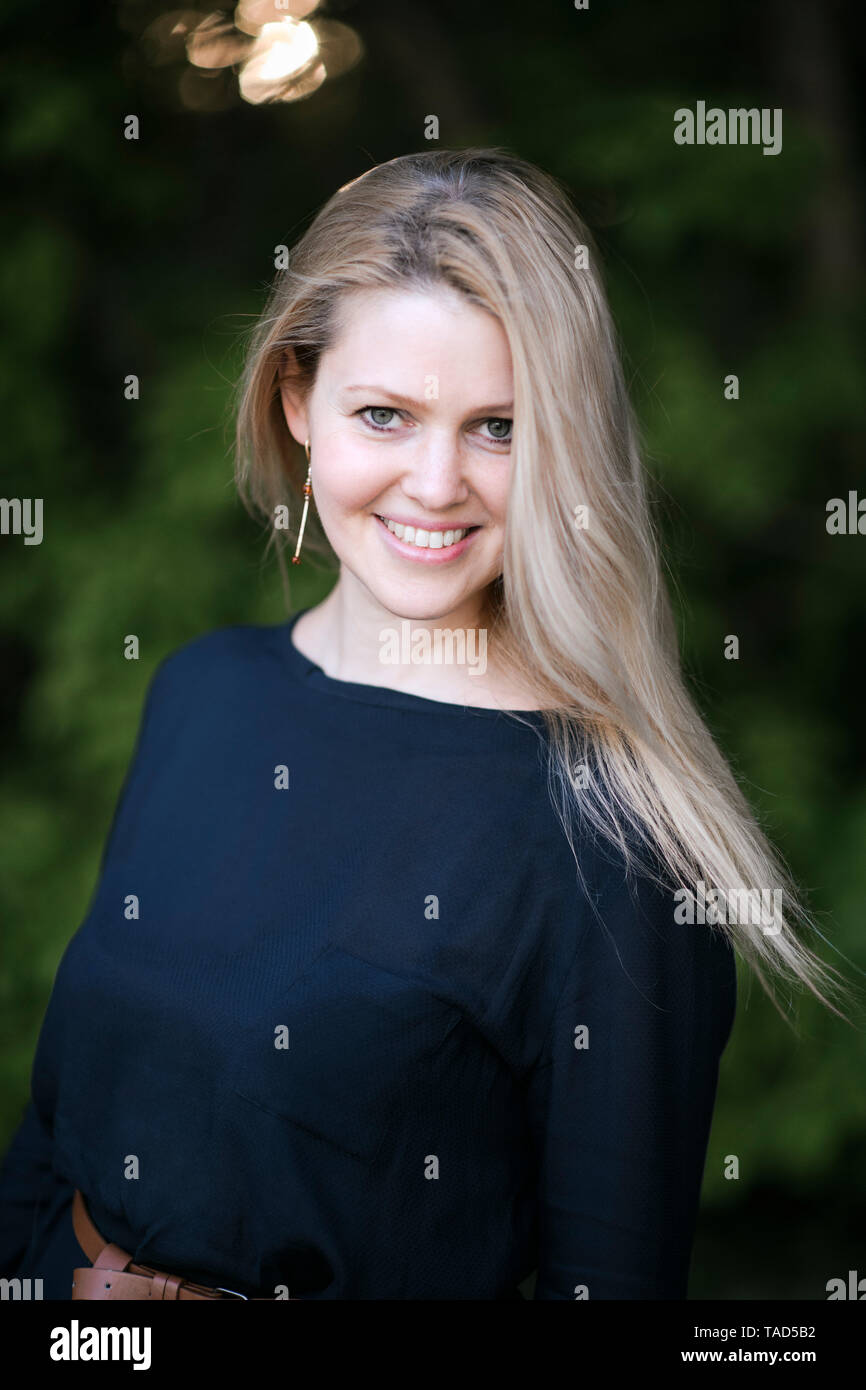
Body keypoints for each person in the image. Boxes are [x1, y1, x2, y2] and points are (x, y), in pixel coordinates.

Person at [0, 148, 849, 1301]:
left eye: (497, 427)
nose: (436, 481)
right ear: (298, 404)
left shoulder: (610, 836)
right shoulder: (201, 693)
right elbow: (55, 1129)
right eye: (385, 414)